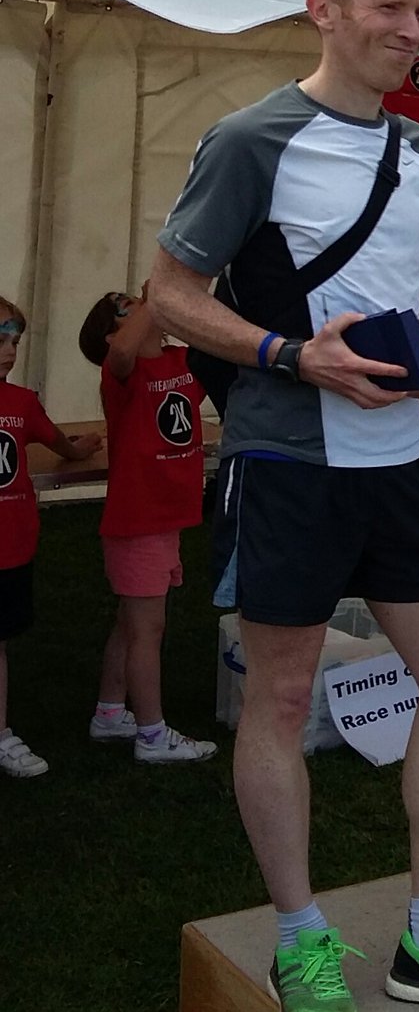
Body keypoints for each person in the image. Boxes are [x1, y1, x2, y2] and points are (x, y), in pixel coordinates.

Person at [147, 0, 419, 1012]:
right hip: (288, 457)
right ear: (321, 7)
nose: (412, 32)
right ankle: (299, 938)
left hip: (394, 462)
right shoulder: (250, 139)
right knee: (280, 696)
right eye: (390, 9)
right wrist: (292, 356)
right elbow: (169, 295)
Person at [78, 287, 217, 763]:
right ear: (113, 331)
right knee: (148, 630)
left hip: (166, 518)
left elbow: (214, 341)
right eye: (126, 309)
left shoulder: (182, 359)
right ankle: (153, 735)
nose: (138, 307)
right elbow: (121, 350)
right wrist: (156, 299)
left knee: (132, 622)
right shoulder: (122, 370)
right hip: (139, 520)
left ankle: (111, 712)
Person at [0, 296, 101, 778]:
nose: (9, 349)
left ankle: (0, 734)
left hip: (11, 547)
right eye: (0, 337)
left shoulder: (21, 403)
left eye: (15, 340)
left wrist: (79, 449)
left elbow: (59, 442)